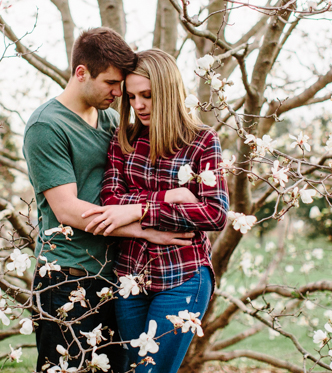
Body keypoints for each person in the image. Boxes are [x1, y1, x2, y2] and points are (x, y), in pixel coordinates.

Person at [23, 29, 196, 373]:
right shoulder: (47, 126)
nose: (119, 94)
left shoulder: (112, 122)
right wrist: (146, 230)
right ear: (81, 72)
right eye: (111, 83)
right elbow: (67, 209)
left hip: (114, 279)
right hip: (66, 278)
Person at [82, 49, 229, 373]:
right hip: (130, 278)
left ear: (167, 90)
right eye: (132, 96)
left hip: (183, 276)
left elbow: (214, 213)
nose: (138, 105)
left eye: (147, 95)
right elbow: (110, 201)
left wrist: (141, 208)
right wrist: (173, 197)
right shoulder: (124, 139)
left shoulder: (202, 141)